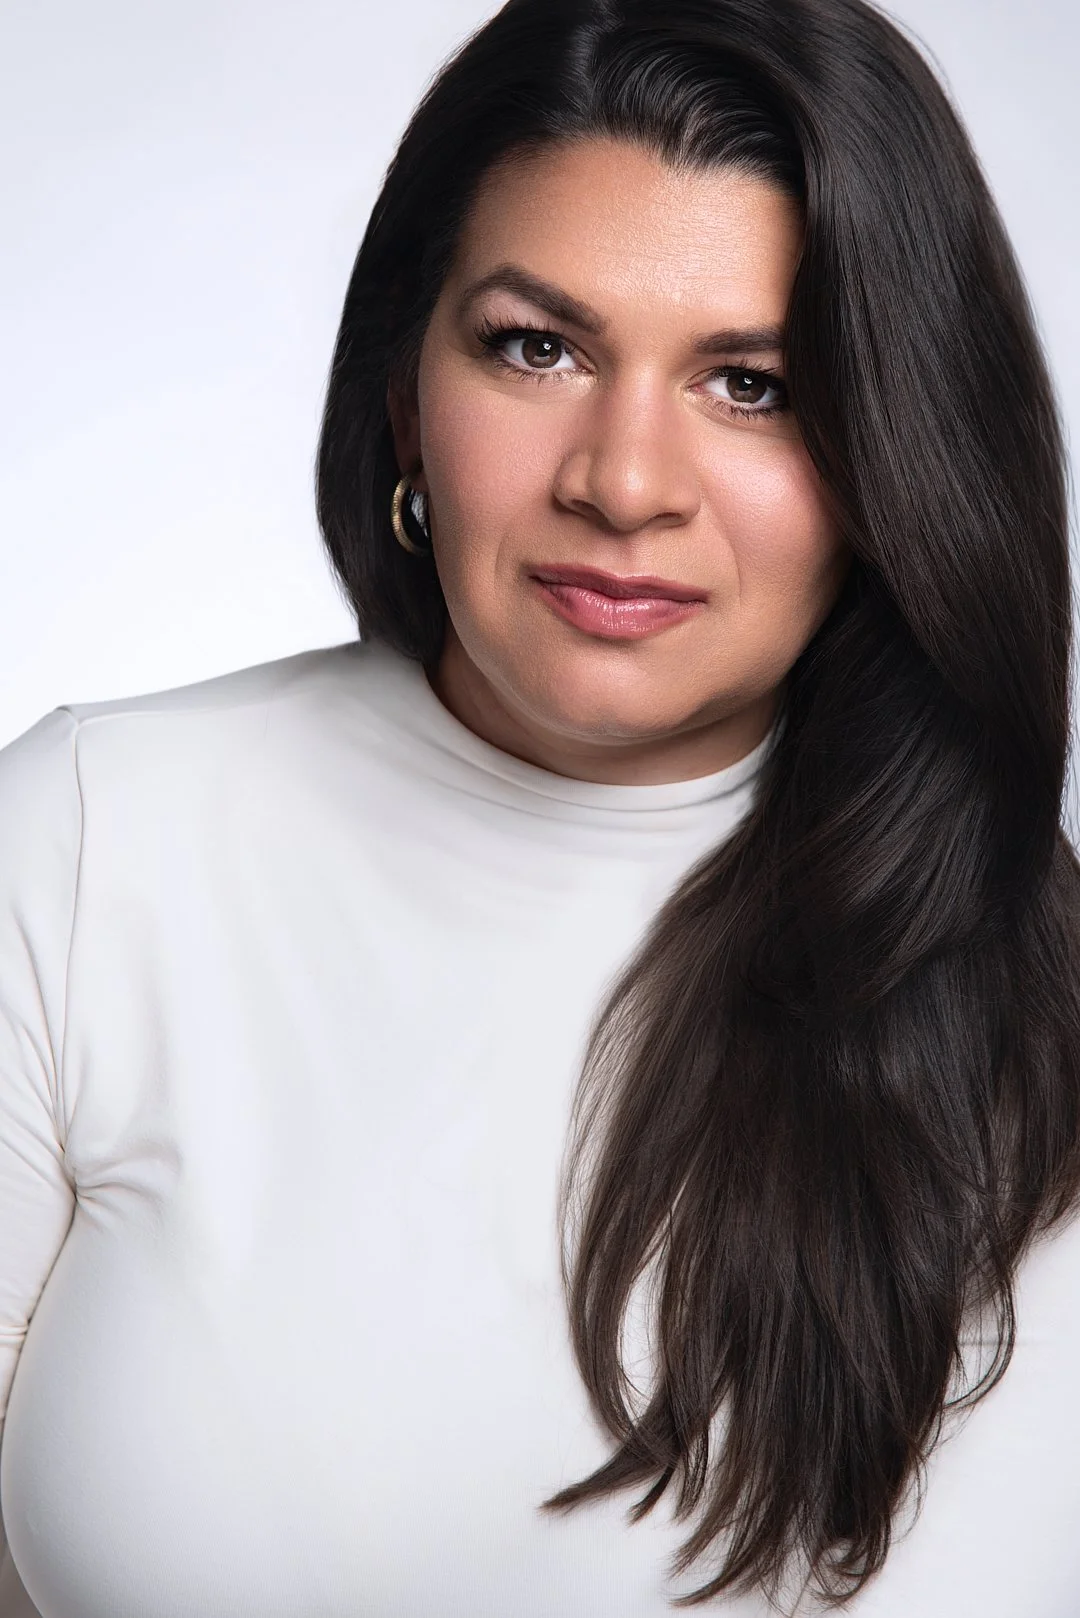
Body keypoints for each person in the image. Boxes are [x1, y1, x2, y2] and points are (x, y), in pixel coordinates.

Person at [2, 0, 1078, 1612]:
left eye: (754, 384)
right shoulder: (99, 843)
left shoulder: (1044, 983)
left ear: (896, 457)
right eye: (538, 347)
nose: (624, 480)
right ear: (402, 400)